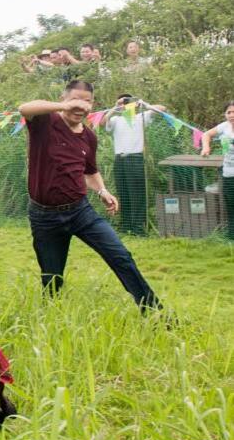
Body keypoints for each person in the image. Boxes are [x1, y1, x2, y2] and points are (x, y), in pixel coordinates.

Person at [19, 81, 162, 312]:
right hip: (44, 217)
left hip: (80, 211)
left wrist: (103, 190)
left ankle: (154, 312)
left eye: (86, 102)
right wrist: (62, 106)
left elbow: (90, 171)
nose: (80, 106)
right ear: (63, 98)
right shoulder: (46, 122)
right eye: (75, 99)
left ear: (92, 105)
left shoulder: (88, 137)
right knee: (52, 278)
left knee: (121, 257)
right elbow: (25, 108)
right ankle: (51, 318)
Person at [103, 94, 167, 235]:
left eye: (129, 102)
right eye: (124, 102)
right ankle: (126, 227)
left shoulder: (140, 118)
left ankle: (139, 229)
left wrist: (143, 104)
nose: (127, 105)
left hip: (135, 158)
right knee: (123, 193)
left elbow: (162, 108)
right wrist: (116, 106)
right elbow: (103, 121)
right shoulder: (115, 119)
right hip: (119, 159)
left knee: (137, 194)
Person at [200, 100, 234, 241]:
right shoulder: (224, 127)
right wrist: (206, 147)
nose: (232, 115)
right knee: (231, 205)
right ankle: (232, 235)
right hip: (228, 173)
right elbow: (206, 135)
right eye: (229, 112)